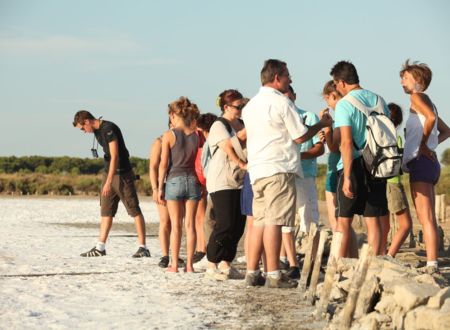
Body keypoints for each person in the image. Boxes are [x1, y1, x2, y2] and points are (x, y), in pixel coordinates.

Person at [243, 59, 332, 288]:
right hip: (279, 167)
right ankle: (273, 274)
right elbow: (300, 136)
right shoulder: (282, 102)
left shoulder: (250, 106)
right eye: (287, 76)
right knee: (276, 221)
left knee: (259, 222)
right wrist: (321, 123)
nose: (290, 80)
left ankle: (252, 272)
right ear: (276, 78)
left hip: (257, 169)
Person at [331, 60, 390, 258]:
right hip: (378, 165)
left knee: (343, 220)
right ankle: (372, 266)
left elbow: (346, 143)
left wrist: (347, 176)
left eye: (335, 84)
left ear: (341, 82)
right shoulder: (380, 101)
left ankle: (336, 268)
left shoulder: (344, 105)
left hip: (354, 164)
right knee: (373, 220)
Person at [73, 110, 150, 258]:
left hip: (122, 174)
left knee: (133, 209)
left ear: (87, 121)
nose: (83, 131)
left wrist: (108, 182)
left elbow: (115, 156)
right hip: (108, 173)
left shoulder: (109, 128)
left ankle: (143, 247)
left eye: (82, 128)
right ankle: (100, 247)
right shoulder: (96, 132)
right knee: (106, 210)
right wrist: (107, 179)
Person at [400, 60, 450, 273]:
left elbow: (430, 119)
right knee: (425, 216)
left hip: (421, 162)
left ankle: (432, 263)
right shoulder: (428, 100)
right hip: (428, 163)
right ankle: (432, 261)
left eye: (405, 77)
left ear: (417, 81)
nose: (402, 81)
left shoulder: (416, 97)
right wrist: (431, 144)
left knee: (426, 216)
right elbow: (446, 131)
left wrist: (423, 144)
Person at [280, 85, 324, 280]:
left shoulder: (309, 117)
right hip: (285, 174)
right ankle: (288, 260)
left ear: (295, 96)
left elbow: (319, 149)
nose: (287, 100)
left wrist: (297, 156)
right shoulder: (278, 118)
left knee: (309, 218)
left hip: (305, 174)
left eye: (289, 96)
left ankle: (313, 260)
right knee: (285, 219)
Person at [205, 90, 247, 281]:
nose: (241, 110)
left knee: (238, 224)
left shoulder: (242, 123)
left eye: (243, 106)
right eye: (238, 107)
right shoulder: (218, 125)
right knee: (225, 223)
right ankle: (212, 263)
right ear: (226, 107)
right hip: (222, 179)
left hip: (239, 180)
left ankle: (226, 263)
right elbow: (228, 147)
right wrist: (240, 162)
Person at [158, 97, 201, 273]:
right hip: (192, 180)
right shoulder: (197, 135)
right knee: (190, 225)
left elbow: (163, 164)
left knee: (176, 225)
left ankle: (174, 264)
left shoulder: (169, 135)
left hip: (174, 180)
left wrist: (160, 187)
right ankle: (190, 265)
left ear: (174, 115)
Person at [320, 81, 358, 258]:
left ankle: (340, 262)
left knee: (337, 223)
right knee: (346, 223)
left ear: (333, 96)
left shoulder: (341, 116)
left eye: (327, 100)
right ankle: (352, 259)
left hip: (336, 170)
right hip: (342, 168)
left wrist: (326, 128)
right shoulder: (349, 114)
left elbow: (334, 147)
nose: (328, 104)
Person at [149, 122, 185, 268]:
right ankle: (165, 255)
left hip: (178, 183)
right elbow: (153, 167)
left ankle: (175, 254)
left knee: (178, 222)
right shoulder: (160, 141)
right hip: (164, 184)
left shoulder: (186, 139)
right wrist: (155, 188)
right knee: (165, 221)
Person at [379, 103, 413, 257]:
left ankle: (380, 254)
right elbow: (403, 164)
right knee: (406, 225)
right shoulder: (395, 136)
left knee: (383, 226)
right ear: (398, 122)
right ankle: (389, 256)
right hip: (393, 183)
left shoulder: (378, 136)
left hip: (378, 183)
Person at [192, 112, 218, 268]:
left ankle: (205, 250)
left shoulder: (205, 138)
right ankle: (204, 249)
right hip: (207, 180)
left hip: (208, 180)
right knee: (203, 217)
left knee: (205, 218)